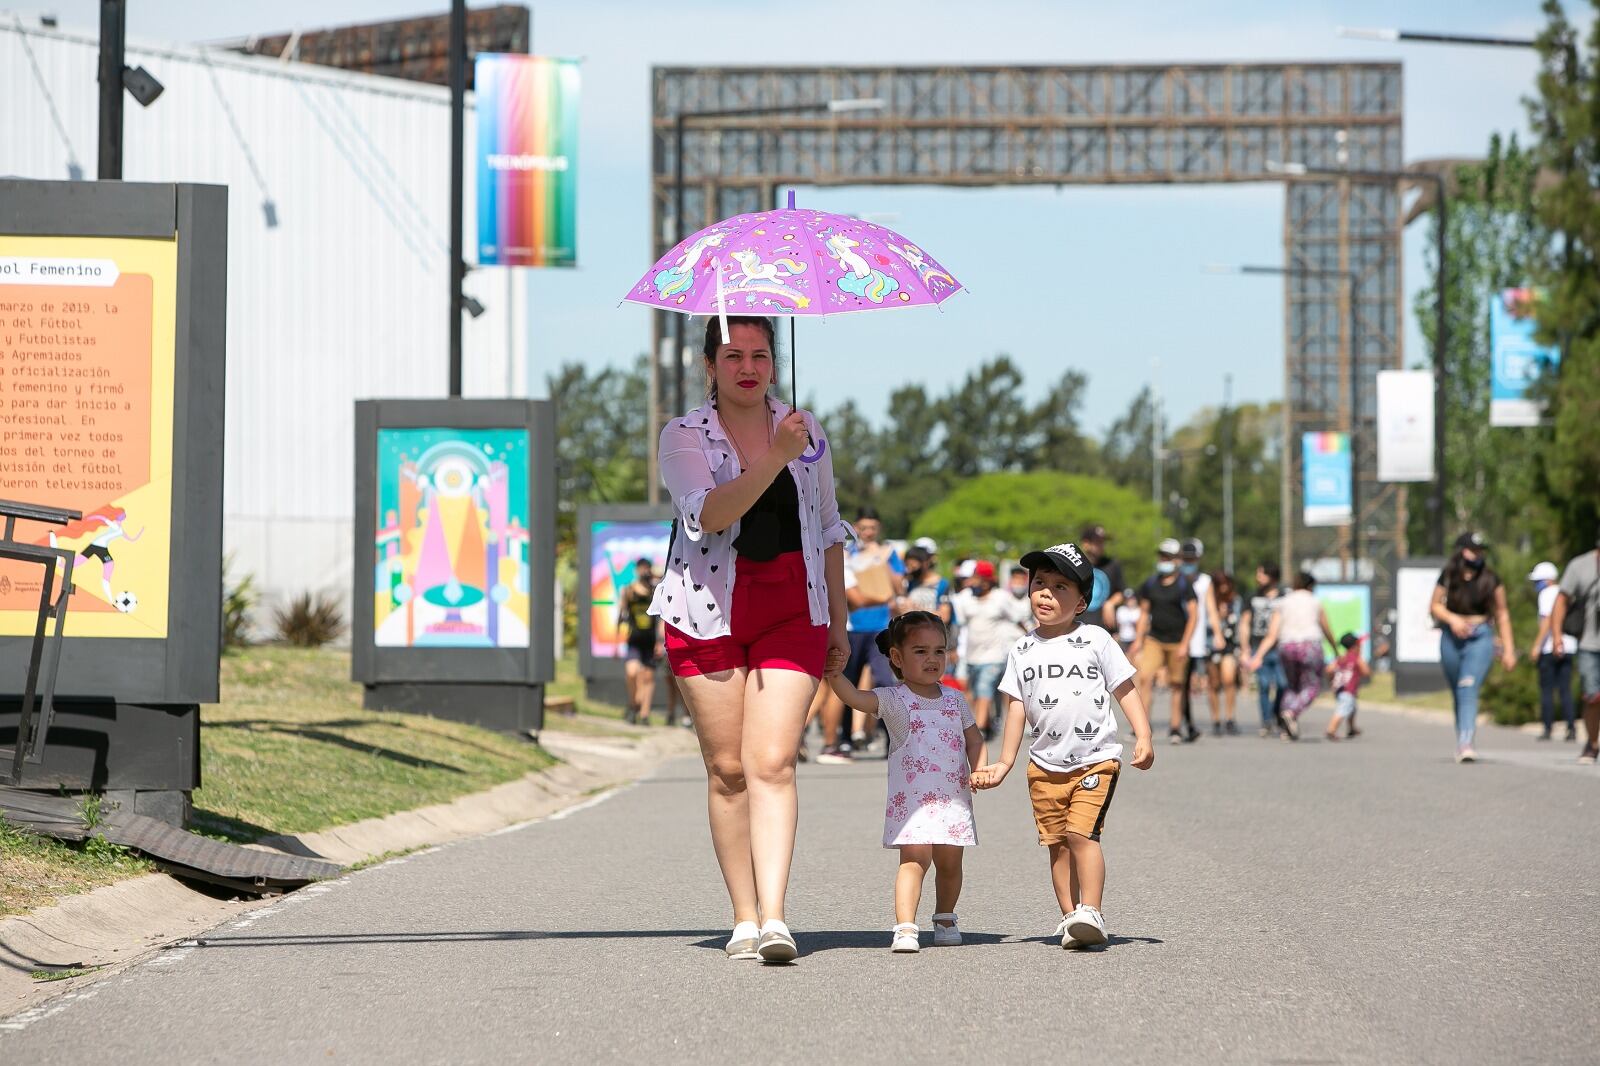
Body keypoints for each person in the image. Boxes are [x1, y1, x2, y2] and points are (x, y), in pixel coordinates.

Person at [651, 315, 850, 963]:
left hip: (794, 609)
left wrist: (840, 622)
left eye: (761, 355)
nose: (748, 366)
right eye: (733, 354)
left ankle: (775, 917)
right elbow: (707, 514)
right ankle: (742, 915)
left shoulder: (805, 430)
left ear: (774, 363)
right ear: (709, 365)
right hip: (704, 611)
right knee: (730, 770)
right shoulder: (682, 436)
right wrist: (775, 457)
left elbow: (827, 528)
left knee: (772, 762)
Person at [970, 542, 1154, 949]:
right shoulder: (1021, 649)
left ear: (1082, 601)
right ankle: (1071, 917)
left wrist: (1143, 734)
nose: (1046, 594)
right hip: (1044, 766)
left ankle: (1092, 910)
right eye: (1039, 584)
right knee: (1057, 845)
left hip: (1095, 759)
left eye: (1059, 587)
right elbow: (1015, 707)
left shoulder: (1096, 639)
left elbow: (1124, 688)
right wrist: (1004, 762)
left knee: (1081, 835)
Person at [827, 611, 984, 952]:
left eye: (939, 651)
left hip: (953, 800)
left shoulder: (955, 699)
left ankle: (945, 917)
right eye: (921, 651)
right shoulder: (895, 700)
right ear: (897, 657)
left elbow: (974, 738)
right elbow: (854, 698)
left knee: (950, 862)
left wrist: (979, 768)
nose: (932, 659)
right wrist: (834, 675)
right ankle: (906, 927)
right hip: (912, 804)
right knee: (913, 860)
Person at [1430, 532, 1516, 763]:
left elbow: (1502, 613)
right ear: (1461, 551)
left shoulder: (1491, 579)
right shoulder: (1449, 575)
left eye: (1481, 550)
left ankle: (1466, 742)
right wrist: (1453, 620)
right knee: (1458, 691)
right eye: (1473, 550)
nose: (1477, 554)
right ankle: (1462, 737)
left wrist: (1508, 649)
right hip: (1451, 637)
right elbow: (1434, 606)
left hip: (1480, 637)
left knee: (1468, 687)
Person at [827, 506, 904, 761]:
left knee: (884, 680)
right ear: (856, 528)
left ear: (878, 529)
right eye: (863, 528)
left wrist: (880, 560)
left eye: (872, 528)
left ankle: (888, 738)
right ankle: (845, 739)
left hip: (881, 627)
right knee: (847, 681)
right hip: (851, 626)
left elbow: (898, 586)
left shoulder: (887, 552)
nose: (868, 532)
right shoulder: (845, 552)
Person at [1245, 572, 1336, 741]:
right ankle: (1291, 712)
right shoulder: (1314, 601)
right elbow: (1326, 628)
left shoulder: (1283, 602)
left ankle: (1287, 725)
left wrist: (1258, 656)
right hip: (1310, 645)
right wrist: (1335, 648)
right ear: (1311, 586)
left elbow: (1272, 634)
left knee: (1291, 686)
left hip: (1287, 646)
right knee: (1312, 685)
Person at [1129, 538, 1198, 744]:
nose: (1163, 560)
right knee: (1145, 678)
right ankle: (1142, 727)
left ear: (1177, 560)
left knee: (1176, 684)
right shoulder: (1150, 583)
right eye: (1162, 556)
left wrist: (1186, 643)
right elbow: (1143, 613)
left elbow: (1194, 615)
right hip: (1154, 639)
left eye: (1168, 557)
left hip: (1177, 641)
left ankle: (1175, 728)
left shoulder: (1185, 584)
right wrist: (1138, 640)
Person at [952, 560, 1030, 737]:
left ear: (986, 580)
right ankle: (985, 725)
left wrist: (1032, 638)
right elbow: (959, 623)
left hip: (993, 656)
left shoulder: (1001, 598)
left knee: (984, 689)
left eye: (975, 578)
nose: (971, 582)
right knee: (972, 692)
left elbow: (1017, 619)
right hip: (971, 655)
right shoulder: (965, 597)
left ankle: (978, 730)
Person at [1551, 526, 1600, 765]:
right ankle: (1592, 743)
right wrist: (1557, 635)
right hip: (1590, 644)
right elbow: (1561, 601)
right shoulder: (1579, 566)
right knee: (1592, 696)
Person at [1528, 561, 1577, 742]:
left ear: (1548, 580)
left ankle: (1547, 728)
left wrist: (1537, 646)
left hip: (1550, 647)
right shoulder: (1566, 592)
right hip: (1569, 645)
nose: (1536, 585)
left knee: (1547, 690)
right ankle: (1571, 728)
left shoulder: (1547, 594)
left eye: (1538, 581)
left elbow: (1547, 621)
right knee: (1566, 690)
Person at [1178, 538, 1221, 740]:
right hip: (1177, 637)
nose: (1188, 562)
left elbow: (1211, 608)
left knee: (1188, 683)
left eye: (1191, 558)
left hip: (1196, 640)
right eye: (1185, 558)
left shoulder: (1205, 581)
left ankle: (1188, 724)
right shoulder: (1175, 579)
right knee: (1180, 683)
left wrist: (1218, 634)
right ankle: (1184, 724)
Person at [1239, 563, 1285, 738]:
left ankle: (1277, 713)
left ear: (1272, 577)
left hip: (1280, 647)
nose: (1258, 578)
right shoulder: (1252, 596)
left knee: (1283, 684)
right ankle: (1266, 721)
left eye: (1261, 574)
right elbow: (1244, 623)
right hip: (1258, 647)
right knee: (1264, 685)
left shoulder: (1284, 596)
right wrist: (1245, 649)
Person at [618, 558, 663, 725]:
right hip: (634, 639)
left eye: (647, 569)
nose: (644, 572)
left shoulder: (655, 591)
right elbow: (621, 616)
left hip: (651, 640)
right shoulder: (629, 591)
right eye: (641, 569)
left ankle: (644, 714)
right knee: (632, 672)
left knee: (648, 678)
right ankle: (633, 703)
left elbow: (660, 618)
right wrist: (617, 643)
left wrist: (660, 642)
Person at [1208, 570, 1244, 736]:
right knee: (1214, 684)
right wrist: (1218, 618)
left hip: (1230, 645)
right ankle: (1216, 719)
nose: (1223, 588)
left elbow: (1240, 623)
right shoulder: (1209, 601)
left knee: (1229, 680)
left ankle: (1230, 717)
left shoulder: (1235, 601)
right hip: (1211, 645)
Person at [1324, 633, 1370, 740]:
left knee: (1352, 708)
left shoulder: (1342, 658)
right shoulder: (1356, 658)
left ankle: (1351, 728)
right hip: (1348, 690)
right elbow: (1366, 671)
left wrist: (1331, 680)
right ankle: (1331, 729)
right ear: (1355, 646)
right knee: (1344, 708)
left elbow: (1329, 669)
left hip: (1340, 689)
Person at [1079, 524, 1125, 629]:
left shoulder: (1112, 564)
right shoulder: (1075, 564)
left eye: (1103, 542)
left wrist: (1111, 603)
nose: (1102, 545)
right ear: (1085, 543)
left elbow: (1122, 592)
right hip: (1077, 626)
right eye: (1097, 542)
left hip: (1104, 628)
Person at [1113, 588, 1141, 654]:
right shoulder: (1121, 610)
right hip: (1123, 639)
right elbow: (1118, 624)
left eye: (1131, 599)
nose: (1130, 601)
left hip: (1134, 639)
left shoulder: (1139, 611)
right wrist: (1117, 633)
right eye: (1127, 599)